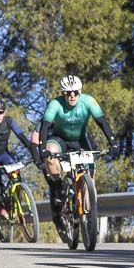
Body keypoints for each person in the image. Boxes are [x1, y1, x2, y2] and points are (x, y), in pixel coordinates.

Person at [38, 74, 119, 213]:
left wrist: (113, 143)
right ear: (63, 93)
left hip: (81, 139)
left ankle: (89, 217)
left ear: (80, 91)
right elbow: (44, 127)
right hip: (60, 139)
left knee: (90, 182)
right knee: (50, 155)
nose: (72, 96)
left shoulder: (88, 101)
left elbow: (102, 122)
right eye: (68, 93)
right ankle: (58, 188)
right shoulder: (55, 104)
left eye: (76, 92)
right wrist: (42, 148)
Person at [0, 99, 37, 219]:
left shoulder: (9, 121)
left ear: (4, 113)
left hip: (4, 154)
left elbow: (22, 137)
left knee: (16, 174)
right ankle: (1, 206)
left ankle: (16, 201)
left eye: (0, 112)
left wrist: (33, 151)